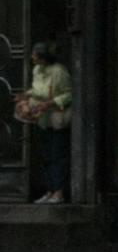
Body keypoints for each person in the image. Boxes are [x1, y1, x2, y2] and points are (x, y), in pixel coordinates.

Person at [13, 41, 72, 204]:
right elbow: (37, 89)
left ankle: (59, 192)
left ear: (43, 57)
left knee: (58, 155)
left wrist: (50, 103)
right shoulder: (37, 69)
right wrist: (26, 95)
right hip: (41, 118)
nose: (32, 57)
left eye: (35, 54)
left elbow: (69, 94)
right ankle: (50, 190)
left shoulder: (59, 71)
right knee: (46, 155)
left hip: (55, 118)